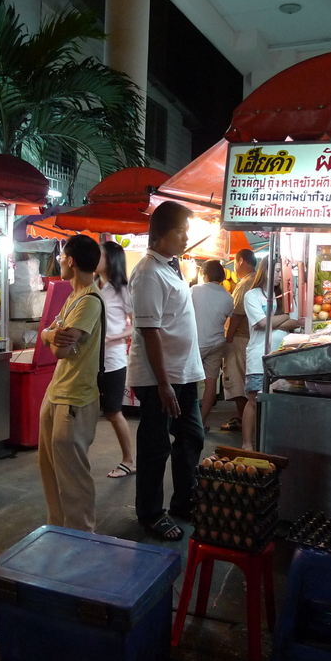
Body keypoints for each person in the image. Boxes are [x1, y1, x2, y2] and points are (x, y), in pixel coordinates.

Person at [128, 201, 205, 541]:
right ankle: (150, 513)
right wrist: (163, 384)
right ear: (160, 234)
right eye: (180, 231)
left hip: (183, 373)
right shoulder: (147, 273)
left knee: (192, 437)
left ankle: (184, 502)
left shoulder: (172, 266)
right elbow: (150, 331)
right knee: (156, 446)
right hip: (161, 378)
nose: (186, 237)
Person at [38, 234, 104, 531]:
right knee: (51, 471)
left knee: (73, 477)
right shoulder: (73, 296)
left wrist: (51, 337)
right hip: (56, 392)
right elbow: (49, 335)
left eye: (62, 256)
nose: (59, 261)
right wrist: (51, 335)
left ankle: (82, 537)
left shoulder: (89, 300)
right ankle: (58, 532)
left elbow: (61, 350)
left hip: (75, 398)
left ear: (72, 261)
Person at [241, 258, 301, 451]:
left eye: (282, 272)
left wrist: (272, 320)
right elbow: (261, 324)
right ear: (265, 270)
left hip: (282, 357)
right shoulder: (252, 295)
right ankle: (247, 444)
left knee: (277, 401)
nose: (280, 276)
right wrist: (283, 318)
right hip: (259, 357)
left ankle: (272, 444)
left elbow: (297, 322)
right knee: (253, 400)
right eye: (276, 271)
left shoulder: (287, 297)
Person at [96, 240, 136, 479]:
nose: (95, 259)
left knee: (113, 411)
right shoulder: (94, 286)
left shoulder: (122, 288)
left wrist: (114, 336)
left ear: (111, 260)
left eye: (99, 255)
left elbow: (137, 324)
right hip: (93, 359)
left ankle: (129, 460)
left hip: (113, 359)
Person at [190, 259, 233, 430]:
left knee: (189, 382)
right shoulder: (228, 297)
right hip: (217, 343)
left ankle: (187, 421)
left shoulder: (195, 290)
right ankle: (201, 421)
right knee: (210, 382)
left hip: (197, 344)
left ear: (204, 275)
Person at [220, 248, 258, 433]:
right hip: (251, 339)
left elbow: (236, 314)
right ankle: (245, 420)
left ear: (241, 260)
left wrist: (228, 338)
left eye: (235, 262)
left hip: (240, 339)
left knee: (238, 383)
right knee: (245, 382)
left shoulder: (245, 284)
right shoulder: (258, 280)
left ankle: (244, 421)